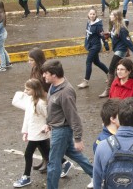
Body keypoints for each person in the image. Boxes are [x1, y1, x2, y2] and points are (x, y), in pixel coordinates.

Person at [40, 59, 93, 188]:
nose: (43, 76)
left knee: (53, 163)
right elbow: (53, 109)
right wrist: (48, 123)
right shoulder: (54, 85)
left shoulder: (65, 92)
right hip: (58, 128)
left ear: (54, 74)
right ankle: (97, 175)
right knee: (73, 153)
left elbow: (73, 116)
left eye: (45, 73)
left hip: (62, 131)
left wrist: (78, 138)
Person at [13, 78, 50, 188]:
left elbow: (49, 117)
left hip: (39, 133)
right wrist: (25, 131)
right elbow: (27, 117)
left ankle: (26, 177)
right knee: (48, 152)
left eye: (27, 89)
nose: (25, 91)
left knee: (28, 153)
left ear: (35, 90)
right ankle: (65, 163)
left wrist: (47, 127)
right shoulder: (30, 100)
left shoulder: (41, 103)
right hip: (34, 132)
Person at [100, 10, 133, 98]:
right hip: (117, 49)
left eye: (111, 15)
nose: (110, 16)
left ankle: (108, 90)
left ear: (116, 17)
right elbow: (116, 36)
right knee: (122, 68)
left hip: (121, 51)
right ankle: (132, 81)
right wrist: (109, 35)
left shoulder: (122, 29)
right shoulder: (115, 26)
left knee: (111, 68)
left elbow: (129, 42)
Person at [79, 8, 109, 89]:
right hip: (91, 45)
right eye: (90, 14)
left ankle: (86, 81)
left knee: (88, 62)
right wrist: (86, 43)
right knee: (97, 62)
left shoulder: (98, 25)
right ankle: (109, 74)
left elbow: (102, 35)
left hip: (96, 46)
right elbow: (87, 34)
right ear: (88, 15)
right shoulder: (88, 22)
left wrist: (106, 45)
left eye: (93, 14)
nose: (92, 15)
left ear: (96, 15)